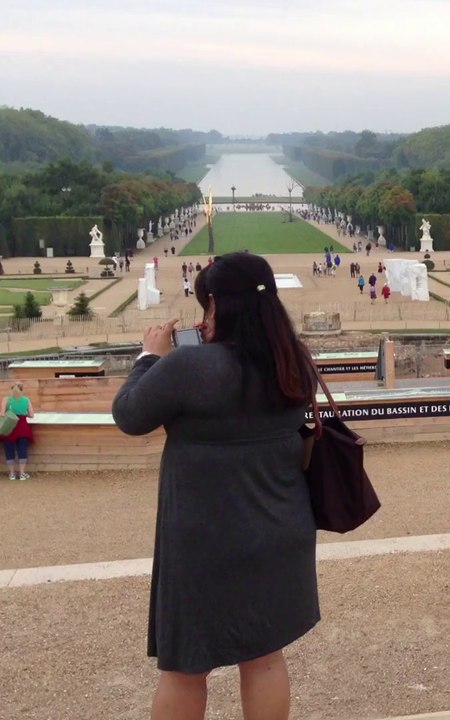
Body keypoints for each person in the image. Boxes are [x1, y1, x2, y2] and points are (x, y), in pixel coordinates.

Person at [112, 252, 320, 720]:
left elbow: (130, 415)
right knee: (264, 657)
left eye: (207, 304)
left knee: (186, 666)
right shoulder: (294, 360)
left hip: (205, 537)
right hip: (280, 526)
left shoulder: (189, 366)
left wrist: (149, 357)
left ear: (219, 308)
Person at [1, 382, 35, 480]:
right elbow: (31, 415)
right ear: (21, 390)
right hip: (22, 426)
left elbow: (2, 414)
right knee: (22, 449)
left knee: (9, 449)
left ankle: (12, 473)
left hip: (9, 426)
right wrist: (23, 413)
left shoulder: (6, 399)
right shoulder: (26, 400)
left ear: (11, 390)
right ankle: (22, 473)